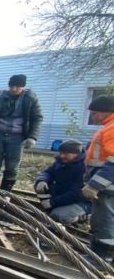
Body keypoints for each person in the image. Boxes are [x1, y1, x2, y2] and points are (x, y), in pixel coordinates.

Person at [0, 74, 43, 191]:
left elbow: (37, 118)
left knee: (12, 167)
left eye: (17, 87)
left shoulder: (30, 100)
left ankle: (5, 193)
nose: (14, 89)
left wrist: (32, 137)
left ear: (23, 87)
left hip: (17, 137)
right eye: (11, 86)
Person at [82, 95, 114, 260]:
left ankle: (102, 255)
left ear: (104, 112)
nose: (92, 117)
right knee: (103, 218)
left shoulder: (111, 129)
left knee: (104, 220)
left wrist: (95, 185)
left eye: (94, 114)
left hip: (107, 186)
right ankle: (98, 251)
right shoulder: (108, 127)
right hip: (106, 185)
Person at [34, 140, 91, 224]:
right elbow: (48, 172)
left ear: (77, 153)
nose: (62, 156)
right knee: (40, 187)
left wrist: (52, 202)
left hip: (80, 201)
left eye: (66, 154)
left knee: (58, 216)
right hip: (63, 195)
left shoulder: (84, 167)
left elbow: (76, 193)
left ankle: (82, 216)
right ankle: (50, 210)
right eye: (61, 153)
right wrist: (42, 180)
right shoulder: (60, 161)